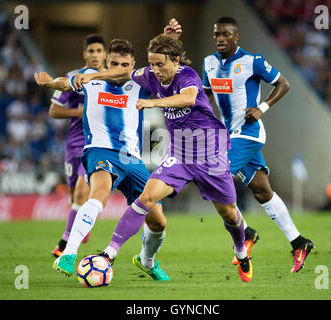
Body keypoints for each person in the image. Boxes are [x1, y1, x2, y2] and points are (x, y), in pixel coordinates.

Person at [73, 32, 253, 282]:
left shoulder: (187, 76)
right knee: (146, 197)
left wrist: (154, 104)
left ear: (176, 60)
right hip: (178, 154)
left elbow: (188, 98)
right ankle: (109, 253)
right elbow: (124, 74)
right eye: (152, 63)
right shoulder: (147, 75)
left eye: (160, 64)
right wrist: (92, 76)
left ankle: (241, 251)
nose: (155, 70)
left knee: (229, 214)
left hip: (209, 153)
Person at [35, 20, 183, 280]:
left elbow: (164, 65)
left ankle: (147, 261)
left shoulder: (139, 83)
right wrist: (50, 84)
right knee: (98, 196)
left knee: (158, 220)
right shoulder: (91, 83)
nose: (119, 70)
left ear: (133, 66)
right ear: (107, 63)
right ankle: (69, 254)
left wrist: (166, 38)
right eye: (114, 64)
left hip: (132, 158)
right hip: (100, 151)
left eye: (125, 65)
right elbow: (66, 83)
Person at [202, 17, 314, 273]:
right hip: (229, 135)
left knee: (214, 175)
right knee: (263, 191)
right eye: (217, 34)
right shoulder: (209, 63)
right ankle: (299, 242)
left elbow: (283, 83)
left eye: (225, 34)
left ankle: (246, 233)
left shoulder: (253, 61)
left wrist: (262, 107)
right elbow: (206, 94)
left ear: (236, 37)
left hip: (249, 134)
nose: (220, 38)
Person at [49, 34, 107, 258]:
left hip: (95, 144)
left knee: (83, 194)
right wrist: (79, 112)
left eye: (98, 51)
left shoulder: (111, 80)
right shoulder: (72, 78)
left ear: (105, 54)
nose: (94, 55)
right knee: (75, 197)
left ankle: (63, 245)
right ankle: (81, 229)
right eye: (91, 51)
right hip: (73, 144)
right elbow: (54, 110)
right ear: (85, 54)